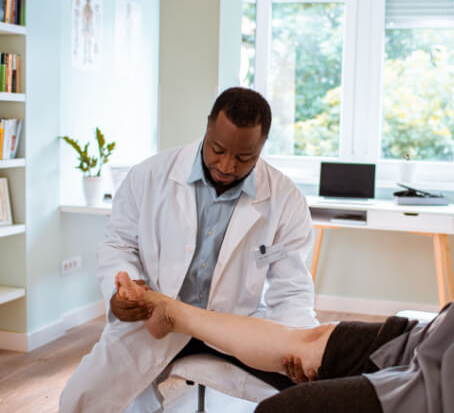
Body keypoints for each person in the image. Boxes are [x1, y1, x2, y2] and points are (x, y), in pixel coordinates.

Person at [115, 62, 454, 412]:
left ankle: (175, 312)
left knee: (286, 408)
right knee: (311, 341)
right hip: (432, 340)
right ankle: (173, 310)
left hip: (445, 373)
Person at [59, 87, 318, 412]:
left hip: (234, 325)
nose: (226, 165)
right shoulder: (150, 175)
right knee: (79, 399)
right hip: (154, 320)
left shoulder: (285, 198)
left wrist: (298, 345)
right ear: (208, 127)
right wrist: (123, 290)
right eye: (217, 149)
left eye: (243, 157)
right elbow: (119, 243)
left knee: (311, 394)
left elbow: (292, 290)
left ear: (262, 146)